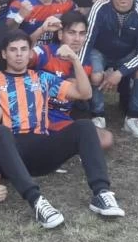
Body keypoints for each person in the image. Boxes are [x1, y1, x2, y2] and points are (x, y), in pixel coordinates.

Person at [0, 31, 124, 225]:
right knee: (1, 132)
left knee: (85, 125)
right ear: (4, 54)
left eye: (23, 49)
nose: (19, 54)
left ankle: (101, 193)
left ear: (30, 53)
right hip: (9, 154)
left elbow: (84, 93)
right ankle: (37, 201)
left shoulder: (42, 78)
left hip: (41, 151)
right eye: (13, 50)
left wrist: (74, 59)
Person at [79, 0, 138, 136]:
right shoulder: (99, 7)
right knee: (96, 75)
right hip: (100, 51)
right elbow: (88, 40)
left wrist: (120, 73)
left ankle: (133, 118)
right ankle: (97, 114)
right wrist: (81, 68)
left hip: (127, 54)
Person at [31, 10, 111, 148]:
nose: (77, 39)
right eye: (72, 33)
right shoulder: (45, 52)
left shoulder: (84, 61)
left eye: (82, 34)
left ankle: (61, 144)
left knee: (106, 139)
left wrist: (75, 61)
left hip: (62, 117)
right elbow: (22, 53)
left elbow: (86, 94)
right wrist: (42, 30)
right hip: (36, 114)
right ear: (61, 34)